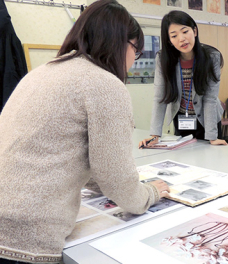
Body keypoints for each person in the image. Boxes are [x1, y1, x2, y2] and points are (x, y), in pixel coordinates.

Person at [0, 1, 171, 263]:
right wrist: (150, 193)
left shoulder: (44, 71)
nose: (133, 62)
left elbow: (65, 151)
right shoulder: (104, 84)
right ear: (121, 43)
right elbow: (115, 177)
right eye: (135, 51)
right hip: (26, 236)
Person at [139, 10, 227, 148]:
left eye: (185, 31)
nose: (182, 39)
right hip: (181, 118)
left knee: (210, 157)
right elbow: (159, 98)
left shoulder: (212, 57)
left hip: (208, 119)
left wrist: (212, 137)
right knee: (184, 159)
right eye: (174, 35)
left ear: (195, 31)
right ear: (169, 40)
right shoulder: (163, 59)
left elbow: (210, 98)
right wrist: (155, 135)